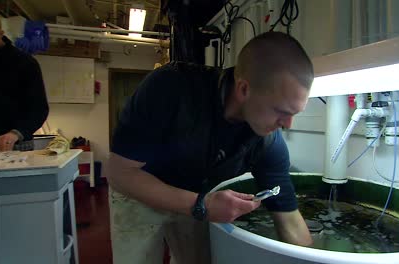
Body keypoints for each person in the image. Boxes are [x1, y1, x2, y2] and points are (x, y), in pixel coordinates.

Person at [106, 31, 315, 264]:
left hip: (197, 193)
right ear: (244, 89)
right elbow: (118, 173)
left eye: (294, 114)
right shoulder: (169, 88)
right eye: (282, 112)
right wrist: (200, 205)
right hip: (140, 189)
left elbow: (289, 217)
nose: (287, 125)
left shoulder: (268, 143)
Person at [0, 13, 49, 151]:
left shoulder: (25, 63)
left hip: (15, 146)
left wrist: (17, 133)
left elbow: (39, 109)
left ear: (0, 33)